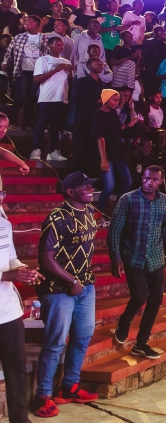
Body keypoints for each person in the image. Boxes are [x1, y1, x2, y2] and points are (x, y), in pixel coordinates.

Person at [34, 172, 101, 415]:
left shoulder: (89, 213)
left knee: (82, 337)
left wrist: (81, 281)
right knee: (55, 343)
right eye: (84, 186)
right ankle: (43, 396)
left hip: (85, 286)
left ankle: (69, 387)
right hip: (58, 289)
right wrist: (71, 280)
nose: (89, 189)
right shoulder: (57, 217)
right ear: (70, 191)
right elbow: (45, 259)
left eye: (89, 185)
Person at [108, 164, 166, 360]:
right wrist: (117, 257)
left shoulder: (164, 201)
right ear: (142, 178)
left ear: (160, 181)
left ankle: (141, 343)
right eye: (147, 178)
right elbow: (115, 231)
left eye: (155, 179)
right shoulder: (127, 199)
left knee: (156, 299)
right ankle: (124, 322)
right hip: (133, 257)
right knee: (139, 296)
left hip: (155, 258)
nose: (150, 182)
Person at [0, 119, 39, 423]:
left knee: (17, 367)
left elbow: (10, 257)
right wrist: (10, 276)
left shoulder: (4, 221)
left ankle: (20, 419)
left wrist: (23, 270)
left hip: (9, 311)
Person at [30, 35, 72, 162]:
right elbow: (36, 79)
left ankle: (53, 152)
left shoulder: (67, 61)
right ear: (49, 45)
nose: (60, 46)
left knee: (55, 125)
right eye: (57, 44)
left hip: (61, 97)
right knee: (41, 123)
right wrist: (55, 70)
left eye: (62, 44)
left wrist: (70, 73)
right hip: (47, 97)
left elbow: (70, 81)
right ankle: (36, 150)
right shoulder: (43, 60)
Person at [93, 89, 132, 214]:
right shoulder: (99, 115)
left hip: (118, 152)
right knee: (109, 186)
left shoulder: (113, 112)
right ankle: (100, 213)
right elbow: (100, 138)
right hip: (107, 153)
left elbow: (115, 129)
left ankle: (115, 212)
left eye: (118, 100)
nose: (117, 102)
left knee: (127, 182)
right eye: (114, 100)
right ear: (106, 99)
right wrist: (103, 160)